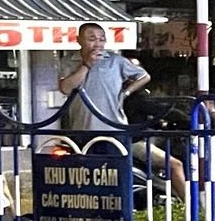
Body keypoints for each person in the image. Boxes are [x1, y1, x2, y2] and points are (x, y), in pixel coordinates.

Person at [57, 22, 185, 195]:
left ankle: (120, 217)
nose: (98, 43)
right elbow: (65, 88)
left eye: (102, 39)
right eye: (92, 39)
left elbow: (143, 76)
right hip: (83, 131)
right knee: (88, 183)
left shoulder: (115, 61)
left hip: (115, 130)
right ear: (79, 40)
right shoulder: (68, 62)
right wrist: (86, 65)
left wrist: (126, 92)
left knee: (116, 181)